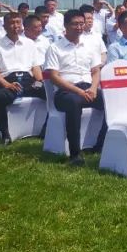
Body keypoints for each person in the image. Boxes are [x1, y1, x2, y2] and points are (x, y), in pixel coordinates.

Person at [44, 9, 105, 165]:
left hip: (88, 89)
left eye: (81, 24)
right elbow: (54, 77)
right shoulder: (55, 48)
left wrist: (93, 88)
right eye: (75, 24)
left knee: (111, 102)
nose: (79, 27)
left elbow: (96, 71)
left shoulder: (89, 46)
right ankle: (75, 153)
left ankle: (100, 145)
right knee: (74, 102)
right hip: (65, 92)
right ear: (65, 25)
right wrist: (78, 91)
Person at [0, 12, 45, 146]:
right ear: (4, 26)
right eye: (12, 23)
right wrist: (6, 84)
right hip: (9, 80)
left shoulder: (29, 43)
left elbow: (35, 66)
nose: (15, 26)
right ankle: (5, 133)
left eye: (18, 22)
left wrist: (40, 81)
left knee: (51, 93)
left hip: (29, 80)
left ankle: (45, 130)